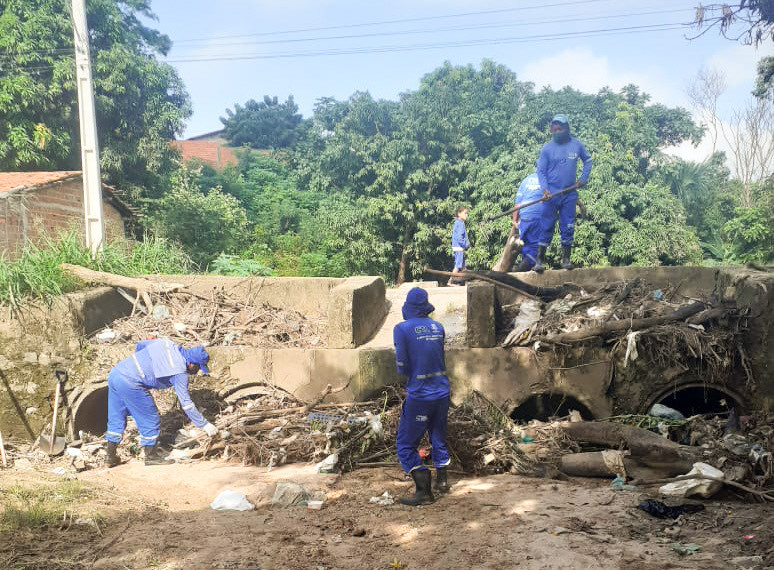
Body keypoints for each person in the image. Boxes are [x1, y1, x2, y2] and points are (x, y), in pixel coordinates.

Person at [105, 338, 217, 467]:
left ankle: (110, 457)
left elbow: (141, 344)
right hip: (132, 382)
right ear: (192, 364)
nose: (197, 372)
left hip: (117, 372)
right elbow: (186, 403)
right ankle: (151, 457)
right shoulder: (180, 372)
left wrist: (143, 365)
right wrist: (205, 425)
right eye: (198, 368)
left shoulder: (167, 343)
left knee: (117, 416)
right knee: (150, 418)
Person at [393, 287, 452, 506]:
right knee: (438, 433)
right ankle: (443, 482)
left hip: (420, 394)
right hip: (442, 391)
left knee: (406, 444)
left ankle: (424, 491)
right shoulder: (438, 326)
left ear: (407, 307)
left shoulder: (402, 329)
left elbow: (402, 366)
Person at [535, 113, 592, 272]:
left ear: (567, 128)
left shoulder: (577, 145)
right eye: (555, 127)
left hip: (569, 193)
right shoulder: (547, 148)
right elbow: (541, 171)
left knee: (568, 226)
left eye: (561, 127)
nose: (558, 129)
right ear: (551, 129)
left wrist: (583, 178)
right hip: (551, 194)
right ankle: (539, 260)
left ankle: (566, 259)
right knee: (546, 226)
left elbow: (588, 160)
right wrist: (545, 189)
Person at [511, 171, 543, 271]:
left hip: (525, 216)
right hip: (538, 214)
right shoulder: (547, 180)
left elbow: (517, 204)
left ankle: (526, 266)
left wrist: (515, 220)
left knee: (526, 242)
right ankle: (527, 265)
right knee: (536, 243)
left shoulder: (525, 181)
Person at [449, 205, 470, 286]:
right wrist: (466, 244)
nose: (466, 215)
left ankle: (461, 281)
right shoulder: (460, 223)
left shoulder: (458, 222)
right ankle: (451, 280)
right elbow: (459, 237)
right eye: (465, 213)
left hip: (457, 247)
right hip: (459, 247)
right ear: (459, 214)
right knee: (458, 265)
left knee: (463, 265)